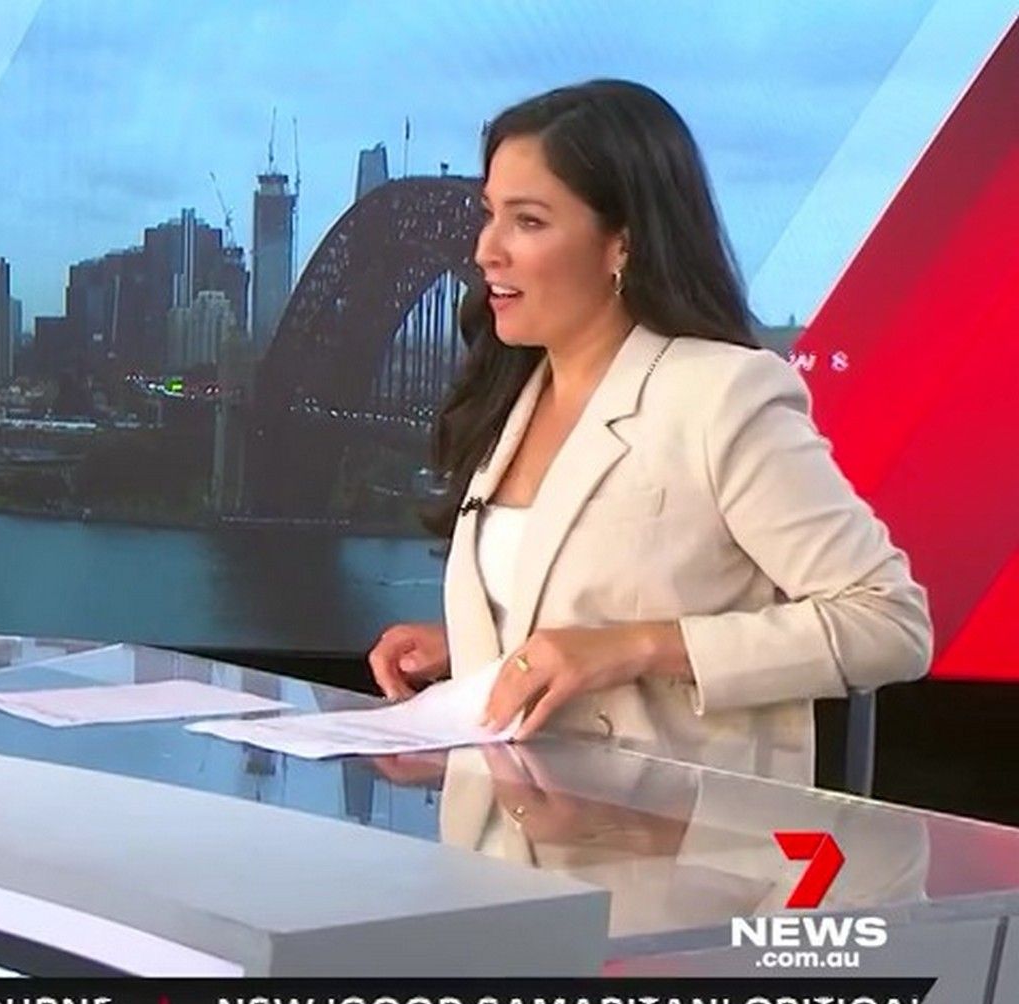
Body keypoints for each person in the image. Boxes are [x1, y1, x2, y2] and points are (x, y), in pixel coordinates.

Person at [365, 80, 930, 776]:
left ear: (621, 245)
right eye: (490, 216)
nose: (487, 251)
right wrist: (479, 643)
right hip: (507, 834)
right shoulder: (513, 397)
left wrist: (633, 647)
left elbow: (889, 624)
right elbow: (567, 598)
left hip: (678, 836)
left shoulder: (722, 395)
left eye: (528, 221)